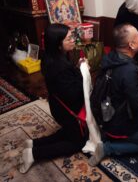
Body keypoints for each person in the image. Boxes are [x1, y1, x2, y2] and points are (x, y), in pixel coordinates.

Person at [19, 24, 88, 173]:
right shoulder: (60, 66)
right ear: (58, 44)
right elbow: (74, 94)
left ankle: (33, 143)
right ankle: (33, 153)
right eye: (69, 38)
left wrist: (76, 69)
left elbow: (65, 83)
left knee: (70, 132)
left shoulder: (50, 58)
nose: (73, 40)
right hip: (67, 110)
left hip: (58, 105)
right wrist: (83, 74)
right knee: (78, 142)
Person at [88, 23, 138, 166]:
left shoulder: (110, 57)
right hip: (119, 124)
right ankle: (107, 148)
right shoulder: (128, 70)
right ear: (131, 44)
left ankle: (108, 140)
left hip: (105, 117)